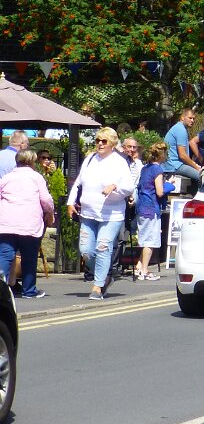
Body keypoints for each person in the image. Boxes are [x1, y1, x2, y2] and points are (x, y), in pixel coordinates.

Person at [68, 127, 136, 299]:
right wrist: (70, 202)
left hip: (111, 215)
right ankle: (105, 276)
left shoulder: (119, 162)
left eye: (104, 141)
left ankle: (98, 286)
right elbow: (78, 182)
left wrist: (115, 186)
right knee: (86, 251)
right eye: (98, 140)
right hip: (88, 213)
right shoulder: (90, 158)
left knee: (102, 247)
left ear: (112, 143)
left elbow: (129, 187)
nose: (100, 144)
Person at [0, 149, 55, 298]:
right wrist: (50, 211)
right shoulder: (36, 177)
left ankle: (1, 288)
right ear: (32, 162)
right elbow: (46, 200)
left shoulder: (6, 178)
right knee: (29, 257)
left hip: (7, 223)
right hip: (29, 224)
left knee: (5, 256)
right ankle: (29, 291)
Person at [134, 141, 173, 281]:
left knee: (145, 238)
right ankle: (144, 271)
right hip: (151, 207)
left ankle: (139, 267)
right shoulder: (158, 170)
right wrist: (170, 185)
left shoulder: (145, 168)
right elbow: (160, 192)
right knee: (150, 241)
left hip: (141, 206)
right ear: (162, 155)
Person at [164, 107, 202, 182]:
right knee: (203, 177)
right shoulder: (180, 130)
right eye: (190, 118)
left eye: (193, 119)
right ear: (182, 117)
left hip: (174, 164)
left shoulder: (178, 128)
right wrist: (196, 167)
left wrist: (193, 164)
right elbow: (182, 155)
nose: (192, 120)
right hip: (174, 165)